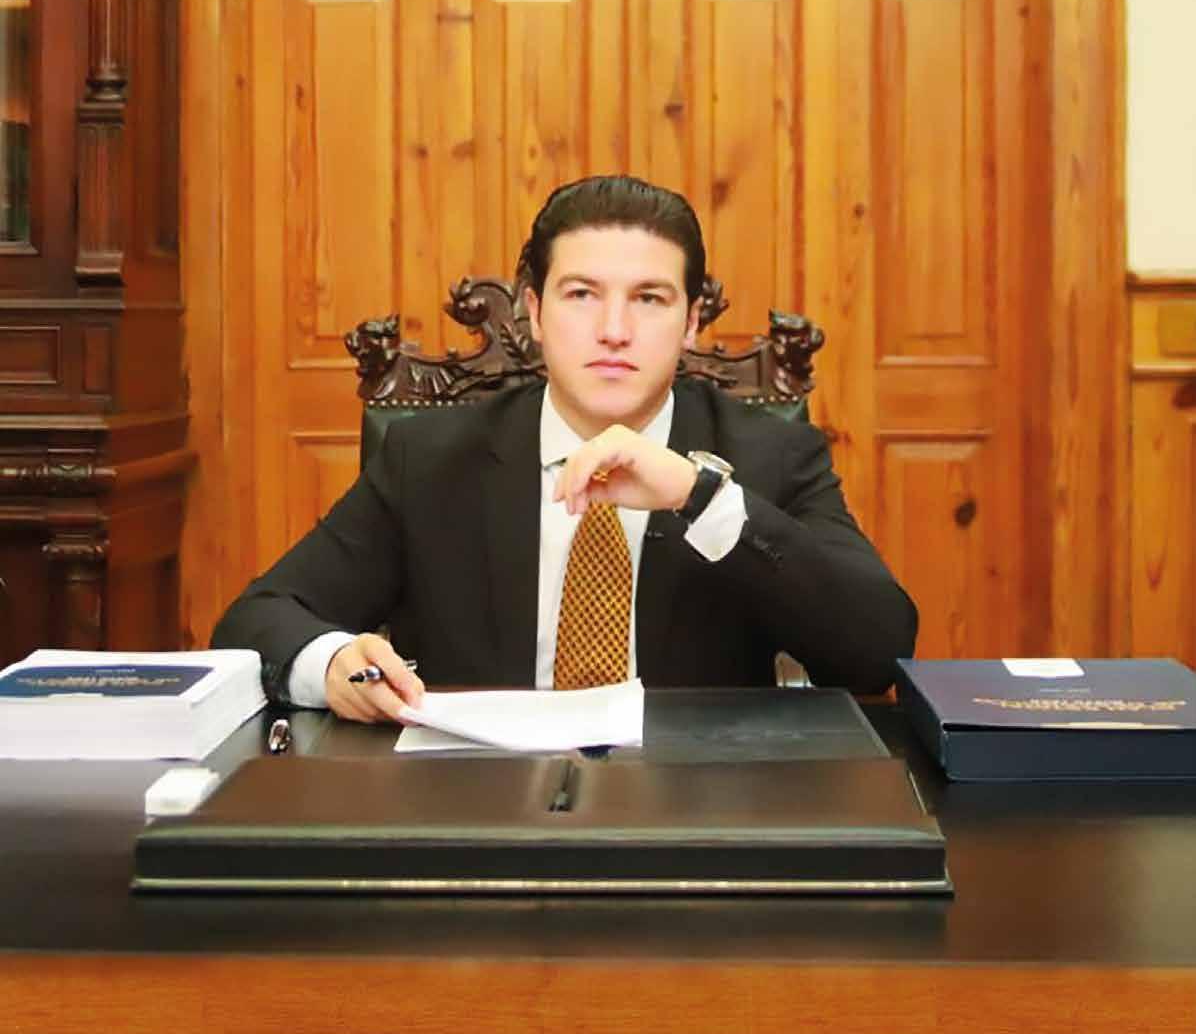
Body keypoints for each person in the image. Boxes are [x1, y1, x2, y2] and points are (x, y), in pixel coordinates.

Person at [212, 175, 917, 718]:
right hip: (480, 811)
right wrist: (333, 663)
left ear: (691, 321)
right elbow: (255, 620)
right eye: (581, 294)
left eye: (649, 298)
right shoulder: (428, 459)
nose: (614, 329)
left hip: (694, 818)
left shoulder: (771, 456)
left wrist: (698, 497)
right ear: (534, 312)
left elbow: (877, 650)